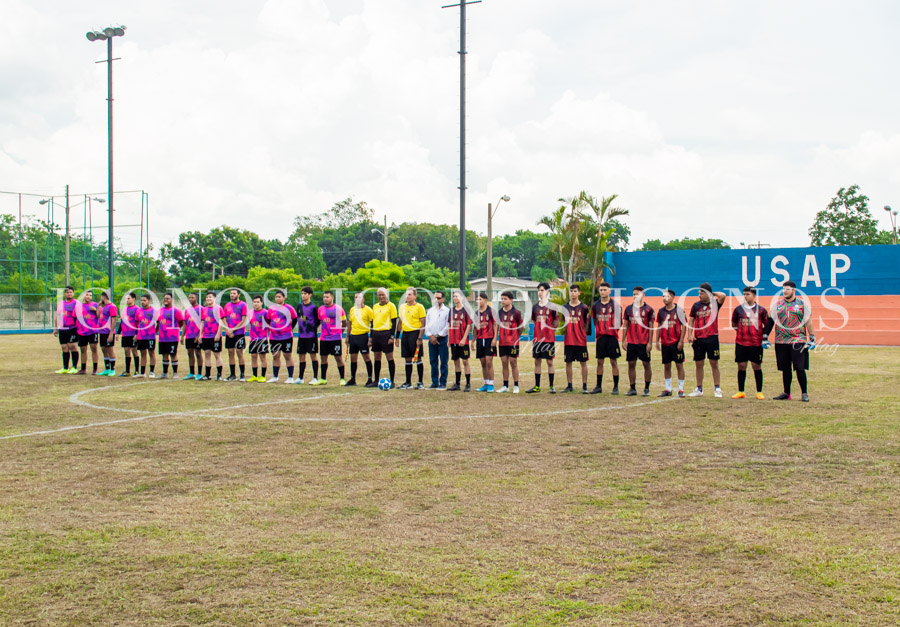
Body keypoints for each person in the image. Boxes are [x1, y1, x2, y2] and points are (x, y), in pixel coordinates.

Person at [772, 280, 814, 402]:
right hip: (781, 340)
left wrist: (812, 337)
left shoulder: (802, 304)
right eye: (783, 289)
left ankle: (804, 393)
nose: (784, 291)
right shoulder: (777, 305)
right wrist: (765, 336)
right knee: (785, 368)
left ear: (794, 291)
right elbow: (771, 320)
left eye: (787, 289)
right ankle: (786, 393)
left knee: (800, 368)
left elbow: (808, 321)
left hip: (798, 339)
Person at [686, 282, 727, 398]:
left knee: (714, 363)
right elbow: (691, 320)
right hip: (699, 338)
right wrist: (689, 334)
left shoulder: (715, 304)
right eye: (699, 293)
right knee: (699, 364)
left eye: (701, 293)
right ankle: (699, 389)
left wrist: (711, 294)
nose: (699, 295)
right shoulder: (696, 306)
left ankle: (717, 388)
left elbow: (723, 296)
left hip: (712, 337)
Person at [731, 286, 772, 400]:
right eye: (744, 294)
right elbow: (734, 324)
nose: (745, 296)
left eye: (747, 294)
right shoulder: (738, 309)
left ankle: (759, 392)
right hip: (741, 343)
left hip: (756, 343)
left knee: (756, 366)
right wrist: (742, 332)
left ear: (754, 295)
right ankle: (741, 391)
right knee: (741, 366)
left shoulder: (761, 310)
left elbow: (767, 324)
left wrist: (762, 336)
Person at [621, 286, 655, 397]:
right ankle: (632, 388)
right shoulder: (628, 309)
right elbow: (625, 325)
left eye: (638, 294)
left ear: (643, 295)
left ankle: (646, 388)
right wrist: (624, 339)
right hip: (631, 342)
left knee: (646, 364)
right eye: (634, 294)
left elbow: (651, 326)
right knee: (631, 364)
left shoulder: (649, 309)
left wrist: (650, 342)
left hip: (643, 342)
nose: (635, 296)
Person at [526, 282, 559, 394]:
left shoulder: (552, 307)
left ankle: (551, 386)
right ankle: (537, 386)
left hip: (548, 339)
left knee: (550, 362)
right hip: (537, 339)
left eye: (542, 290)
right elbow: (534, 320)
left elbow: (556, 322)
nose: (540, 292)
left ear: (547, 292)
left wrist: (549, 331)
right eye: (539, 290)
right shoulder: (535, 307)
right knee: (537, 361)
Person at [590, 281, 622, 394]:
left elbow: (619, 322)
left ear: (609, 291)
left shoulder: (616, 305)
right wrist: (601, 329)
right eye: (601, 290)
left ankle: (616, 387)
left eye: (605, 290)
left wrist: (612, 330)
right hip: (601, 338)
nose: (602, 292)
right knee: (600, 361)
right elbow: (594, 320)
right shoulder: (595, 305)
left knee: (613, 361)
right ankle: (598, 386)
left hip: (612, 337)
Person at [655, 289, 687, 397]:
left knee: (679, 365)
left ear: (673, 297)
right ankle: (668, 389)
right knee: (666, 365)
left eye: (667, 296)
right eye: (663, 296)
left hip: (676, 342)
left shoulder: (679, 310)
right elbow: (659, 326)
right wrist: (657, 340)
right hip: (665, 343)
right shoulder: (661, 311)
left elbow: (684, 326)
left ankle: (681, 389)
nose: (664, 298)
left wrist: (681, 340)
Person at [312, 290, 347, 386]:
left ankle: (342, 379)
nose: (325, 299)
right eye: (324, 297)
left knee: (338, 358)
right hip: (324, 338)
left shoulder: (338, 309)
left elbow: (344, 322)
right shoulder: (320, 309)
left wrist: (340, 333)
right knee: (323, 358)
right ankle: (323, 379)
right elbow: (320, 321)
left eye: (327, 297)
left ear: (332, 298)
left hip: (335, 338)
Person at [562, 284, 590, 394]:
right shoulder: (565, 307)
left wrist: (581, 333)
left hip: (580, 340)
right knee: (568, 362)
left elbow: (586, 323)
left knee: (583, 362)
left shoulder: (584, 308)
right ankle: (569, 385)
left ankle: (584, 386)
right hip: (569, 340)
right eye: (571, 291)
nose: (573, 293)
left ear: (579, 293)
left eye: (575, 291)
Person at [397, 288, 427, 390]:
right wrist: (397, 337)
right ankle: (408, 382)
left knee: (418, 358)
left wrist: (419, 338)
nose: (407, 296)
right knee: (407, 358)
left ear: (415, 296)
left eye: (410, 294)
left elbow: (423, 323)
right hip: (405, 334)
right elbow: (400, 322)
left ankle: (420, 382)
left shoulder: (419, 307)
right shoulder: (402, 307)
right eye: (407, 294)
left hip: (415, 333)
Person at [267, 289, 297, 383]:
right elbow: (268, 320)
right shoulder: (271, 308)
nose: (277, 298)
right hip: (274, 337)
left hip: (286, 336)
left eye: (279, 297)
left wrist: (289, 328)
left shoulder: (289, 308)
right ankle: (275, 377)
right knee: (275, 356)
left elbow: (295, 319)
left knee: (287, 355)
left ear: (284, 298)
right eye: (276, 297)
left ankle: (290, 377)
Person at [370, 288, 399, 388]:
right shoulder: (375, 307)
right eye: (379, 295)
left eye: (383, 294)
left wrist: (392, 336)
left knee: (389, 357)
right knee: (377, 357)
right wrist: (371, 336)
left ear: (386, 295)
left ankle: (392, 381)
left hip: (386, 334)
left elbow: (394, 322)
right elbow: (372, 322)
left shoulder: (391, 306)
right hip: (376, 334)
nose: (381, 296)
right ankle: (376, 380)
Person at [496, 291, 523, 393]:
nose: (503, 301)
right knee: (504, 363)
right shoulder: (499, 312)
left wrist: (516, 337)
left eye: (505, 299)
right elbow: (497, 326)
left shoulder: (516, 312)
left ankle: (516, 386)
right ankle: (505, 386)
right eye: (502, 299)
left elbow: (521, 327)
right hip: (502, 342)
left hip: (513, 342)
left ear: (511, 300)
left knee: (513, 362)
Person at [346, 291, 375, 387]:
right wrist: (347, 336)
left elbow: (373, 323)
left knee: (366, 357)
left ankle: (370, 378)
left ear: (363, 299)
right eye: (356, 297)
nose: (357, 299)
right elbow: (350, 324)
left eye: (359, 297)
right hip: (353, 336)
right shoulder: (352, 309)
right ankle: (352, 379)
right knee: (353, 358)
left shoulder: (368, 310)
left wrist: (371, 338)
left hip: (363, 336)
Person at [447, 290, 473, 392]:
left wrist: (464, 339)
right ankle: (457, 384)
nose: (455, 298)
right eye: (454, 296)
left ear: (462, 298)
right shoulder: (451, 311)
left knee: (465, 361)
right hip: (453, 340)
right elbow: (450, 325)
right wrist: (449, 339)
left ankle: (468, 384)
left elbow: (468, 325)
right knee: (456, 361)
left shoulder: (466, 310)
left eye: (457, 296)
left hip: (462, 341)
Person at [425, 290, 450, 390]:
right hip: (431, 340)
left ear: (443, 299)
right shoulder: (430, 311)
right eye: (435, 298)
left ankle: (443, 383)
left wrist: (438, 335)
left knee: (443, 361)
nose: (436, 300)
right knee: (433, 361)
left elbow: (447, 325)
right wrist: (430, 336)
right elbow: (427, 324)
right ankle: (434, 382)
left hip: (442, 339)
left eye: (439, 298)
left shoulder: (447, 311)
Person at [295, 286, 320, 385]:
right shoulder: (299, 306)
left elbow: (318, 320)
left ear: (310, 295)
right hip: (301, 336)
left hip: (311, 336)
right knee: (301, 356)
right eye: (302, 293)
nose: (303, 295)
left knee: (313, 356)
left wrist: (312, 328)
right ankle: (300, 378)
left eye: (305, 294)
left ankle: (315, 378)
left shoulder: (313, 307)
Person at [223, 289, 249, 382]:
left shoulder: (243, 305)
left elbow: (243, 320)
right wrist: (227, 329)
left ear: (238, 295)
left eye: (234, 293)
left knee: (239, 352)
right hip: (229, 333)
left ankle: (242, 375)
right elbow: (224, 319)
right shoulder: (227, 305)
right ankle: (232, 375)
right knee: (230, 352)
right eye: (231, 293)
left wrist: (233, 329)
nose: (232, 295)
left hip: (239, 333)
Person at [473, 292, 497, 392]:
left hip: (489, 339)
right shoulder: (476, 313)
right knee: (483, 362)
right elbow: (475, 328)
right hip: (479, 339)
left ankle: (491, 384)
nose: (478, 301)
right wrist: (473, 341)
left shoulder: (491, 311)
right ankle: (486, 383)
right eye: (477, 299)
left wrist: (495, 338)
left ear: (485, 300)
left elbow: (496, 325)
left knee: (489, 362)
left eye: (480, 299)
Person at [156, 293, 183, 379]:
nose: (165, 300)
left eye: (168, 298)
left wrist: (174, 329)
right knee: (164, 354)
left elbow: (181, 322)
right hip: (162, 337)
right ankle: (165, 373)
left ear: (172, 300)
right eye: (164, 298)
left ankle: (175, 373)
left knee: (173, 354)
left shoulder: (176, 310)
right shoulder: (160, 310)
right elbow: (158, 322)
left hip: (172, 337)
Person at [53, 286, 79, 374]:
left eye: (71, 292)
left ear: (73, 293)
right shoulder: (61, 303)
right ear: (65, 294)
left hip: (72, 328)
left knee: (73, 346)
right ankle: (65, 368)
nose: (69, 294)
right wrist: (55, 328)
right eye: (67, 292)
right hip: (62, 328)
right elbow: (57, 316)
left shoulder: (76, 303)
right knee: (64, 347)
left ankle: (74, 367)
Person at [74, 289, 101, 375]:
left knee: (94, 349)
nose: (88, 297)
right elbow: (75, 317)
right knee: (83, 349)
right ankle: (83, 369)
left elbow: (99, 316)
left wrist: (96, 310)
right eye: (87, 295)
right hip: (81, 331)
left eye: (90, 295)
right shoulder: (78, 306)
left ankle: (95, 369)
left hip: (92, 330)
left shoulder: (95, 305)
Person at [200, 292, 224, 381]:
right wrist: (200, 335)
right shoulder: (204, 309)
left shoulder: (218, 308)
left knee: (217, 354)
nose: (208, 299)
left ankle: (219, 375)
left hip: (215, 336)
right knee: (207, 354)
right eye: (207, 297)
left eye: (210, 297)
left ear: (214, 298)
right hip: (206, 336)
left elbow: (221, 322)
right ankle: (207, 375)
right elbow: (202, 322)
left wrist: (218, 334)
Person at [247, 295, 270, 382]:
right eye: (254, 302)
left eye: (258, 302)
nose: (256, 304)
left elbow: (270, 325)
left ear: (261, 303)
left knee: (262, 357)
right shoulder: (250, 312)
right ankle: (254, 376)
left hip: (262, 339)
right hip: (253, 339)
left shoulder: (266, 313)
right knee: (253, 357)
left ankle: (263, 376)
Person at [134, 293, 158, 378]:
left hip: (150, 336)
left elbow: (158, 322)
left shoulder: (154, 311)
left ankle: (152, 372)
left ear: (149, 301)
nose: (142, 302)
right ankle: (142, 372)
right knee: (143, 353)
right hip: (141, 336)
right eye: (141, 300)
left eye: (144, 300)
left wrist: (155, 331)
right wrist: (137, 333)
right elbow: (137, 323)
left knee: (151, 352)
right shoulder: (138, 311)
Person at [181, 292, 203, 380]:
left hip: (196, 335)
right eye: (189, 297)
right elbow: (185, 324)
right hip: (189, 336)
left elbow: (203, 323)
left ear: (196, 298)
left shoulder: (201, 309)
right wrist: (182, 336)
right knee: (190, 353)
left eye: (192, 297)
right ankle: (191, 373)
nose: (190, 299)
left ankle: (200, 373)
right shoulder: (187, 310)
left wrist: (199, 335)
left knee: (198, 353)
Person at [118, 291, 140, 377]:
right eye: (126, 299)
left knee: (134, 351)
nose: (127, 300)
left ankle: (137, 371)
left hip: (132, 334)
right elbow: (122, 321)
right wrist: (118, 333)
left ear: (133, 299)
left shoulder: (137, 309)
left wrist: (136, 333)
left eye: (128, 298)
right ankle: (127, 371)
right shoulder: (124, 309)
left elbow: (138, 323)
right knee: (126, 351)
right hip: (125, 334)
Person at [96, 290, 118, 376]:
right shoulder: (104, 307)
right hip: (102, 331)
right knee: (104, 349)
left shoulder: (112, 306)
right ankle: (107, 369)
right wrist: (98, 306)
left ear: (103, 297)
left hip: (108, 332)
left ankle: (113, 370)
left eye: (101, 297)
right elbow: (98, 316)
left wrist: (111, 333)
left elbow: (114, 320)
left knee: (110, 350)